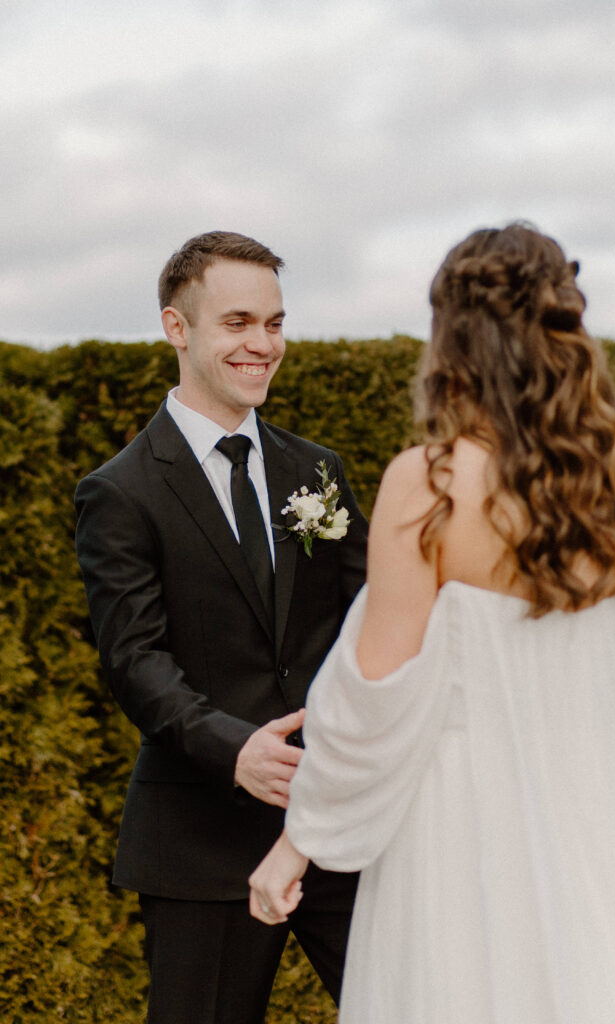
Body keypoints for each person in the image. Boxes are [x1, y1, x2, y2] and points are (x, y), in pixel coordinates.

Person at [249, 223, 615, 1023]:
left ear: (450, 338)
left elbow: (370, 700)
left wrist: (298, 840)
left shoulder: (432, 485)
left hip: (469, 847)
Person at [74, 231, 368, 1024]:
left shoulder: (318, 472)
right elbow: (134, 661)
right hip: (199, 841)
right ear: (178, 327)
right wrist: (235, 749)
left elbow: (371, 623)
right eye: (239, 322)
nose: (263, 344)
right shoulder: (121, 492)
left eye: (275, 323)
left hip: (334, 823)